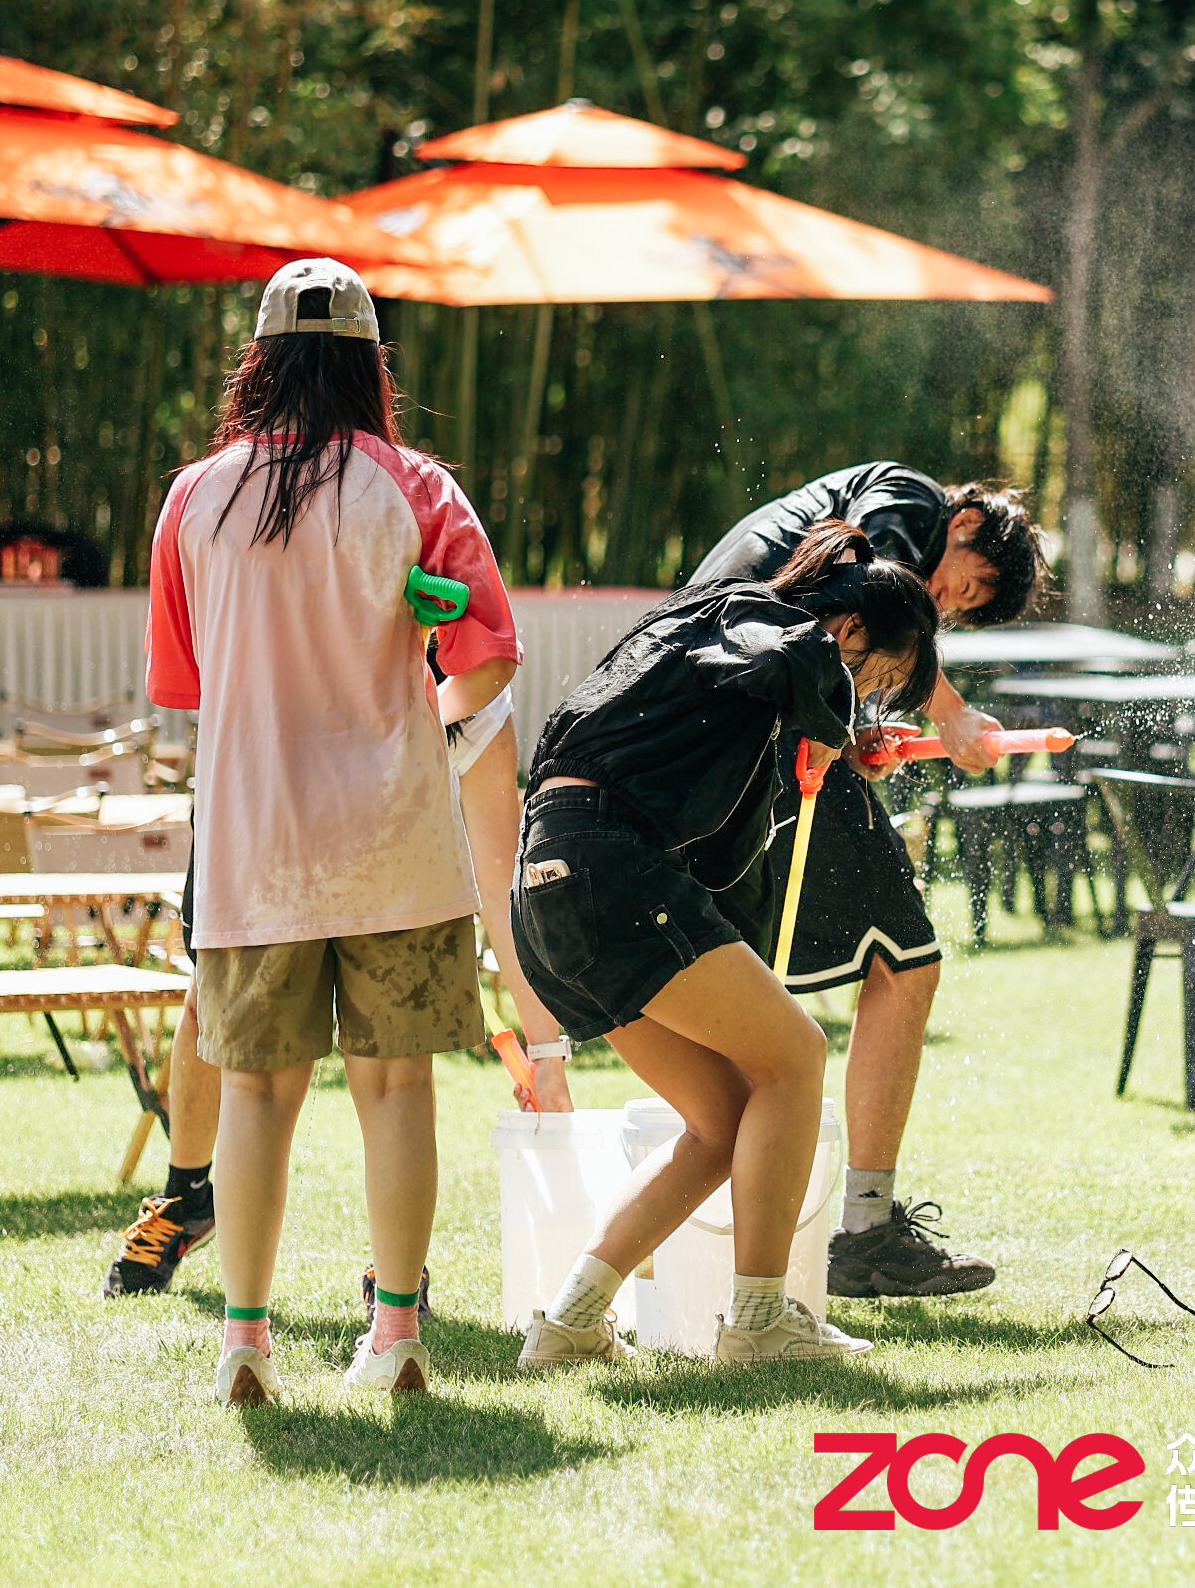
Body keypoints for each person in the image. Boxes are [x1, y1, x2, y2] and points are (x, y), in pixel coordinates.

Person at [144, 258, 520, 1407]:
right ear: (370, 366)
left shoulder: (194, 498)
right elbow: (489, 660)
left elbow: (187, 683)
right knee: (396, 1084)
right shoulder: (419, 488)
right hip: (396, 843)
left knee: (256, 1093)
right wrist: (423, 700)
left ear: (258, 361)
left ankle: (244, 1342)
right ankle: (397, 1331)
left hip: (255, 842)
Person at [508, 523, 941, 1368]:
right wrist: (836, 713)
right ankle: (758, 1323)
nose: (864, 693)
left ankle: (570, 1322)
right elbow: (792, 659)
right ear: (851, 627)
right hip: (608, 869)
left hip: (551, 880)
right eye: (876, 676)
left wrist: (838, 737)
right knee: (796, 1056)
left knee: (721, 1120)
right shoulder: (763, 621)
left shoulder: (709, 626)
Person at [677, 462, 1045, 1300]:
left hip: (730, 720)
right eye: (965, 585)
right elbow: (866, 597)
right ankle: (863, 1234)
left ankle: (728, 1242)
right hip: (756, 721)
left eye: (962, 610)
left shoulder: (879, 525)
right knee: (904, 963)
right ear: (966, 523)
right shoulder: (910, 496)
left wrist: (854, 736)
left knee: (750, 979)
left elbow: (831, 636)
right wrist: (950, 711)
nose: (945, 604)